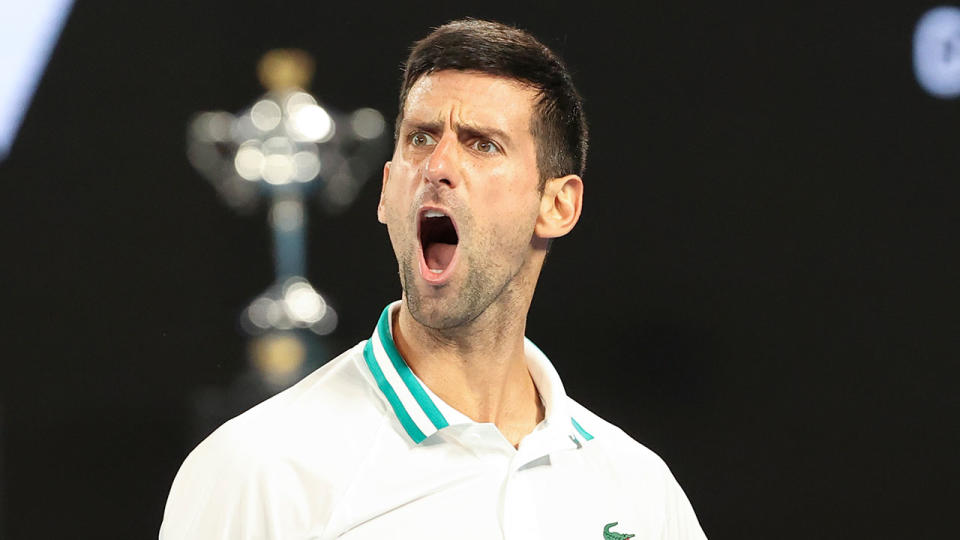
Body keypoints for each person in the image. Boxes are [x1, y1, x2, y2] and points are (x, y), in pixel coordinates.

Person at [160, 18, 707, 540]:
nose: (438, 164)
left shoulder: (640, 491)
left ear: (557, 205)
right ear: (386, 190)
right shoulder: (258, 472)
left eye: (482, 143)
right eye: (420, 138)